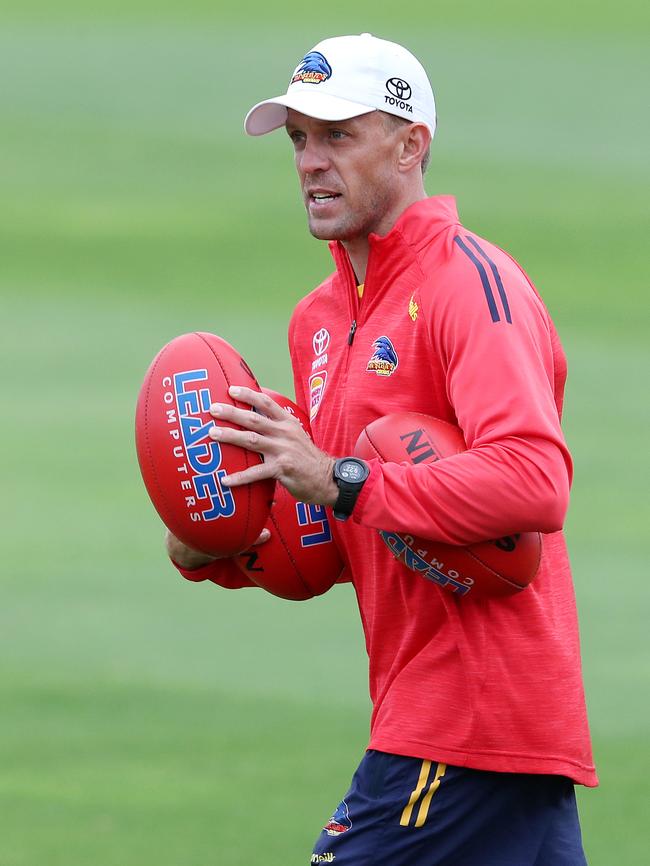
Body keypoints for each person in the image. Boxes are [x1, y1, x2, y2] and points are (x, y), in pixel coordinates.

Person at [167, 33, 597, 865]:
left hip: (468, 717)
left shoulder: (471, 283)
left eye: (338, 135)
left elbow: (536, 480)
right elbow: (336, 533)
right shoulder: (318, 320)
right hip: (478, 730)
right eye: (298, 139)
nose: (309, 163)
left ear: (411, 145)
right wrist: (217, 545)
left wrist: (336, 476)